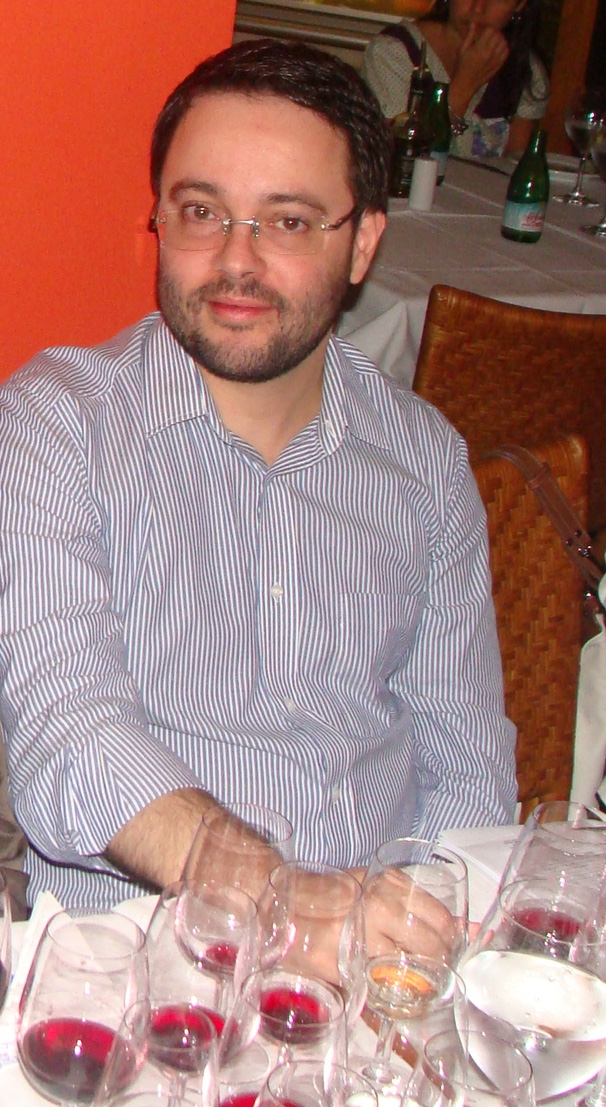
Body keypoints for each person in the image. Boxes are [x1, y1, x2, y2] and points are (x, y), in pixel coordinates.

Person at [0, 38, 517, 916]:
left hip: (376, 952)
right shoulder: (58, 426)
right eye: (202, 211)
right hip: (143, 957)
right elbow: (70, 731)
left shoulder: (424, 459)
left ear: (362, 244)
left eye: (288, 222)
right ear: (159, 219)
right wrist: (291, 902)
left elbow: (466, 761)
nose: (235, 261)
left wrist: (428, 930)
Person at [361, 0, 549, 158]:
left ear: (520, 5)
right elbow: (402, 158)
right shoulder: (394, 52)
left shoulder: (525, 68)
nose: (478, 8)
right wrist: (465, 83)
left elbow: (516, 163)